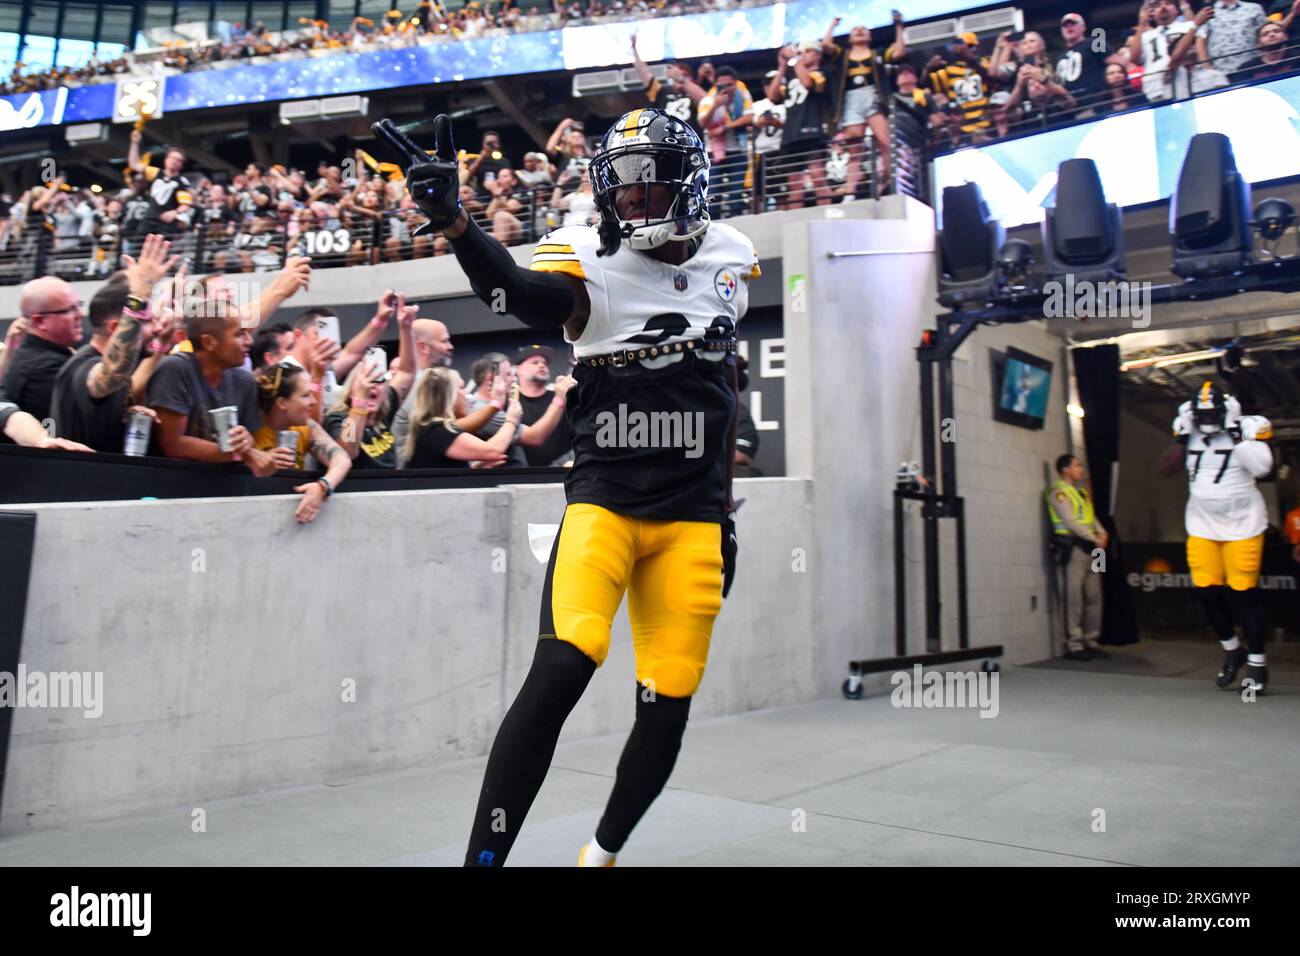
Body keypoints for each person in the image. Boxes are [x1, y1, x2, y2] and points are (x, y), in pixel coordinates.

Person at [384, 105, 757, 866]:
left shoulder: (731, 256)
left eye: (650, 189)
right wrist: (458, 225)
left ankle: (604, 852)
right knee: (561, 664)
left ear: (689, 186)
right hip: (607, 502)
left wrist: (724, 515)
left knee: (667, 704)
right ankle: (482, 864)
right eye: (621, 190)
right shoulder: (588, 255)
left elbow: (722, 390)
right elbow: (524, 294)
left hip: (691, 517)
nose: (632, 203)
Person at [1160, 383, 1274, 692]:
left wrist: (1236, 434)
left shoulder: (1249, 426)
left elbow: (1263, 468)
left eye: (1213, 413)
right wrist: (1183, 437)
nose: (1207, 419)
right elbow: (1167, 468)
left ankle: (1258, 665)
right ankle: (1232, 649)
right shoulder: (1187, 424)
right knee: (1206, 592)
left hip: (1243, 523)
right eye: (1202, 414)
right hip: (1202, 523)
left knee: (1243, 595)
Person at [50, 236, 179, 452]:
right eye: (146, 322)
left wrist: (127, 414)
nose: (156, 328)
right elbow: (112, 373)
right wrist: (139, 295)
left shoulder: (112, 365)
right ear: (114, 328)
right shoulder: (81, 367)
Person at [253, 361, 352, 523]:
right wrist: (260, 458)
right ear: (282, 403)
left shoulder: (306, 427)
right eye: (306, 395)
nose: (313, 401)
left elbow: (343, 459)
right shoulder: (251, 427)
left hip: (296, 517)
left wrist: (322, 487)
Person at [1045, 454, 1109, 661]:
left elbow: (1091, 517)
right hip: (1075, 548)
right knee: (1074, 597)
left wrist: (1103, 533)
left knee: (1095, 596)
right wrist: (1094, 537)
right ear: (1065, 470)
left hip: (1096, 550)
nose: (1081, 469)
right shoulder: (1058, 492)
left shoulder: (1081, 492)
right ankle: (1074, 643)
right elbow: (1071, 522)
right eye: (1076, 466)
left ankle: (1092, 640)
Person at [404, 366, 523, 468]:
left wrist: (473, 468)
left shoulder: (430, 429)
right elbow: (494, 450)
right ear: (448, 396)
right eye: (461, 387)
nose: (466, 393)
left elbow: (441, 470)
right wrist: (512, 420)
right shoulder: (437, 431)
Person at [4, 275, 84, 423]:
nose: (80, 314)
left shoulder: (30, 356)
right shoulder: (50, 368)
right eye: (70, 310)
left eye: (79, 305)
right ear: (40, 321)